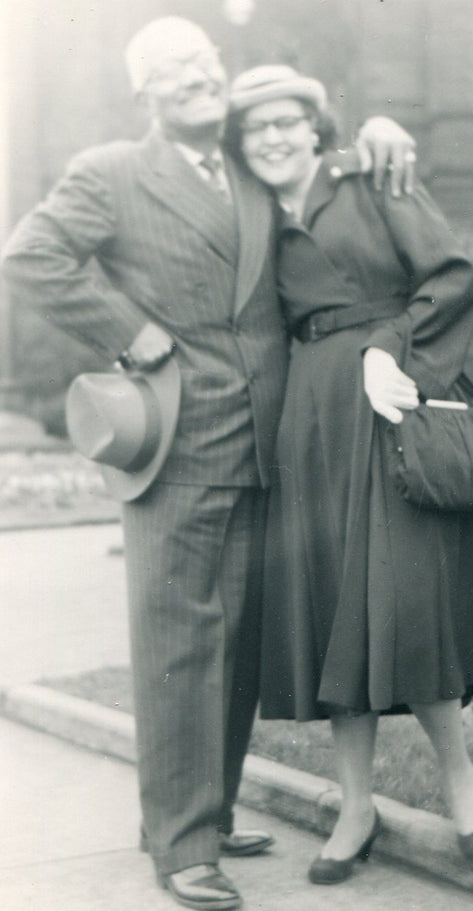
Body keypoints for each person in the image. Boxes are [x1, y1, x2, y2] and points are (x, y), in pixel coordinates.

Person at [1, 19, 416, 910]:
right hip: (178, 441)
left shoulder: (247, 163)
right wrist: (133, 334)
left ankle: (209, 811)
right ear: (142, 93)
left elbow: (318, 158)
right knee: (179, 647)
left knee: (236, 643)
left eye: (203, 62)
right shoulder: (112, 170)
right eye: (170, 69)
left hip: (269, 438)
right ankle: (181, 843)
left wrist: (376, 129)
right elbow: (29, 254)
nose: (195, 76)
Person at [227, 65, 473, 885]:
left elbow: (451, 275)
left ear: (316, 126)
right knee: (332, 610)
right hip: (310, 426)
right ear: (241, 144)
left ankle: (459, 776)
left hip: (391, 401)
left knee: (403, 599)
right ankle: (355, 805)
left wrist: (386, 352)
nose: (275, 137)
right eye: (257, 128)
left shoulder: (371, 176)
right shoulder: (250, 214)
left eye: (288, 121)